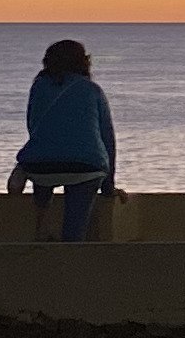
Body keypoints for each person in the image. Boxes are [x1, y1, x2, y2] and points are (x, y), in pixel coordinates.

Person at [11, 38, 118, 240]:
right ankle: (70, 248)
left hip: (41, 166)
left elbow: (34, 127)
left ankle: (42, 220)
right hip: (87, 166)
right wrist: (108, 185)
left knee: (44, 168)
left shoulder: (39, 87)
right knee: (75, 227)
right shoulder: (92, 90)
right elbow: (107, 139)